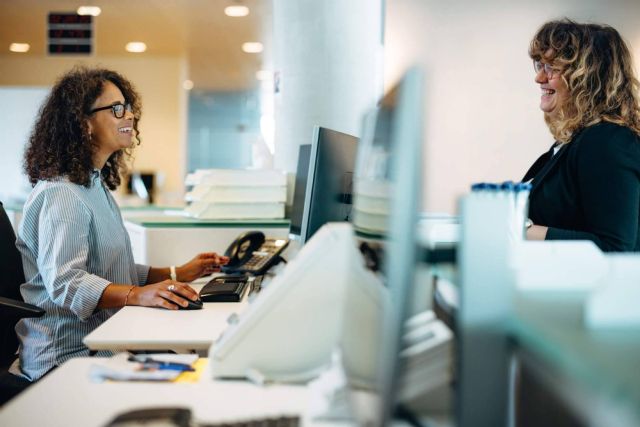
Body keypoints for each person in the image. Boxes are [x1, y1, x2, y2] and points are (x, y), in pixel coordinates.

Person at [13, 67, 229, 381]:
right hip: (67, 354)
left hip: (107, 340)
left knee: (196, 367)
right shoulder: (61, 194)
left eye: (128, 107)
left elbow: (113, 268)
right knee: (193, 375)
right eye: (117, 109)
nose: (128, 116)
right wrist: (136, 295)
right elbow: (66, 283)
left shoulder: (92, 185)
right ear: (84, 122)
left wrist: (176, 273)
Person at [523, 19, 640, 252]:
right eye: (540, 65)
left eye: (551, 68)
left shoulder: (607, 140)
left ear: (585, 77)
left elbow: (614, 247)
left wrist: (521, 231)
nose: (539, 78)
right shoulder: (577, 140)